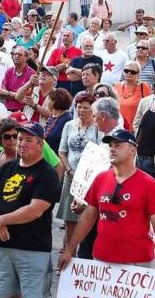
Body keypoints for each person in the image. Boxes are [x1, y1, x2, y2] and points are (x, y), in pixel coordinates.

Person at [58, 129, 155, 288]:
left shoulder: (148, 184)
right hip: (102, 257)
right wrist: (70, 250)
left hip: (137, 261)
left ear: (133, 151)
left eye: (118, 145)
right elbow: (87, 217)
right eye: (111, 145)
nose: (112, 149)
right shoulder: (100, 179)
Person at [0, 122, 62, 297]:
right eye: (20, 139)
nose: (22, 143)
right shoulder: (7, 168)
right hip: (2, 247)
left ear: (41, 144)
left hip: (32, 249)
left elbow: (35, 210)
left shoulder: (47, 174)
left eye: (28, 140)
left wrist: (0, 220)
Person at [56, 92, 99, 252]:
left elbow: (101, 151)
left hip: (90, 178)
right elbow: (62, 151)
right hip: (71, 175)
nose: (81, 110)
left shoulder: (96, 127)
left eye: (86, 108)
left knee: (87, 215)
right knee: (70, 217)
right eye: (79, 107)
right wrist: (68, 169)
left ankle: (85, 252)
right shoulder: (69, 125)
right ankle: (70, 252)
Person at [0, 46, 36, 112]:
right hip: (7, 109)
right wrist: (18, 96)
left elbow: (27, 96)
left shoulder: (32, 74)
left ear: (26, 58)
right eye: (15, 54)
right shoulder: (9, 71)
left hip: (23, 110)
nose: (16, 56)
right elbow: (1, 92)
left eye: (19, 54)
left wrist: (8, 94)